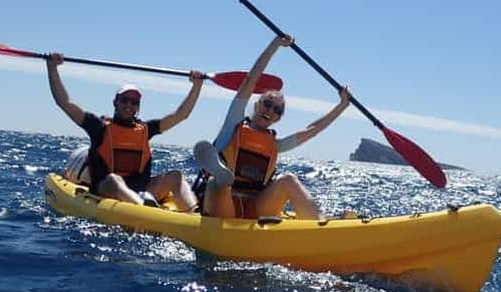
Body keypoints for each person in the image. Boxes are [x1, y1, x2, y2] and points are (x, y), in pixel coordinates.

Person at [195, 35, 350, 220]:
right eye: (267, 103)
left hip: (256, 209)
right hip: (223, 207)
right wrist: (275, 45)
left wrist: (342, 106)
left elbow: (312, 130)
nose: (270, 110)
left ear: (277, 118)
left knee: (288, 180)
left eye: (277, 110)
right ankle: (221, 175)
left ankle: (321, 225)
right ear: (256, 104)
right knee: (216, 184)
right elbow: (250, 81)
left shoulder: (275, 145)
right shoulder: (233, 127)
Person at [46, 53, 204, 211]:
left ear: (138, 106)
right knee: (114, 180)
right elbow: (64, 103)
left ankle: (194, 213)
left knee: (176, 176)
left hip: (141, 191)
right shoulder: (99, 127)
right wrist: (52, 67)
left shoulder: (146, 129)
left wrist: (197, 86)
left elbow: (181, 115)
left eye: (134, 102)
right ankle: (143, 208)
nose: (129, 105)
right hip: (108, 191)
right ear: (115, 102)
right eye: (124, 100)